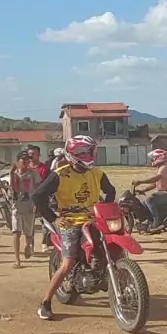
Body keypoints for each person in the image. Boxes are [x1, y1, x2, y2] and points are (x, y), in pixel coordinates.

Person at [32, 135, 116, 320]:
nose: (88, 155)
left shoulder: (97, 173)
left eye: (90, 151)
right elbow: (37, 196)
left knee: (113, 245)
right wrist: (54, 218)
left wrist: (107, 207)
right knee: (68, 263)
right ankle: (45, 303)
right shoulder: (60, 174)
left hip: (94, 219)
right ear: (72, 154)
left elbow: (110, 191)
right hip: (70, 222)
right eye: (83, 152)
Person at [132, 149, 167, 232]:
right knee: (143, 203)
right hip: (161, 194)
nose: (152, 160)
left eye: (153, 158)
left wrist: (141, 182)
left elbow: (155, 179)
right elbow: (155, 184)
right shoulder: (160, 169)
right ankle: (150, 221)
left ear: (159, 158)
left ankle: (157, 221)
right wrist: (143, 190)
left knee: (149, 200)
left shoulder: (164, 168)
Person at [10, 150, 38, 268]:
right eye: (24, 159)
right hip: (17, 207)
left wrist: (37, 203)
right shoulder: (14, 174)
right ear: (17, 161)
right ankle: (17, 259)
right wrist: (11, 174)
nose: (26, 162)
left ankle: (28, 246)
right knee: (16, 232)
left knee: (28, 232)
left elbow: (38, 187)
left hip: (29, 207)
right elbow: (14, 189)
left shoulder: (32, 173)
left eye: (28, 160)